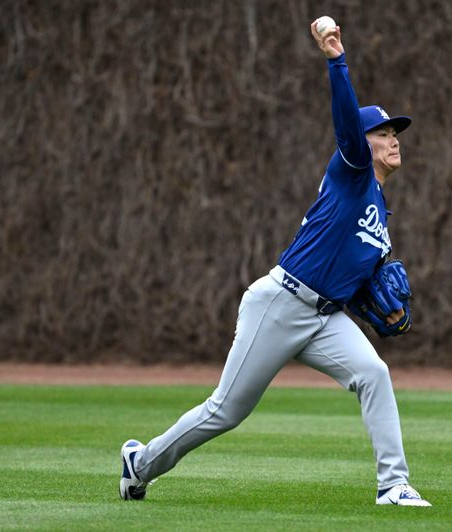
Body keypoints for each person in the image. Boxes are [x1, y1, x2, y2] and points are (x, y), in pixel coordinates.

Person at [119, 18, 431, 507]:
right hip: (280, 303)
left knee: (374, 373)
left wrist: (386, 310)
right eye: (384, 132)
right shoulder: (351, 170)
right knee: (226, 411)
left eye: (397, 133)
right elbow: (347, 121)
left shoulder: (379, 213)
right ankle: (140, 464)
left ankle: (393, 485)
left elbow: (361, 281)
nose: (394, 139)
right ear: (363, 141)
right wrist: (336, 61)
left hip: (326, 317)